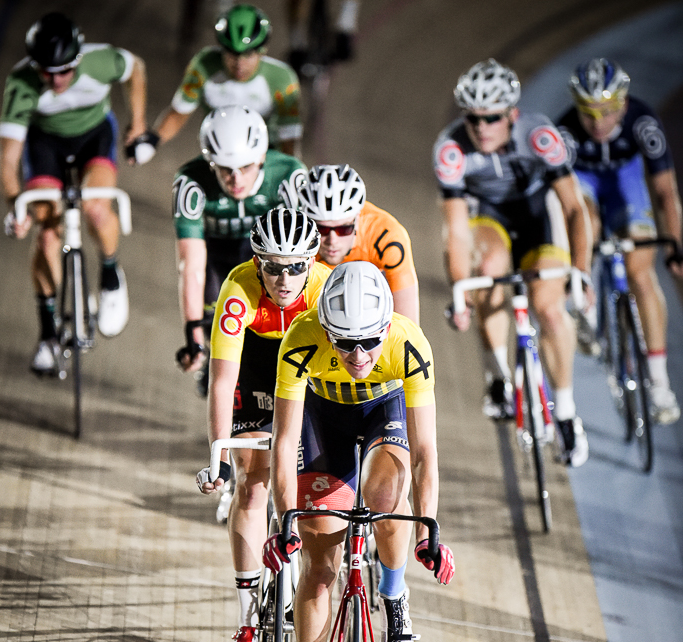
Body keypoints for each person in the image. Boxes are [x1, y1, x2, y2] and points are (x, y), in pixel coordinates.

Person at [263, 260, 455, 642]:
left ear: (386, 328)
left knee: (387, 498)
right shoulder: (300, 339)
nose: (359, 355)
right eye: (345, 343)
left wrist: (428, 531)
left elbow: (426, 452)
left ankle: (393, 592)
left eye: (370, 341)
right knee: (318, 567)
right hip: (323, 422)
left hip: (382, 414)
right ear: (325, 329)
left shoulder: (408, 344)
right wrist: (285, 520)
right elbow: (284, 442)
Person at [434, 58, 593, 467]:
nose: (481, 128)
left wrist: (581, 271)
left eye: (491, 118)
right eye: (472, 118)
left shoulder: (540, 136)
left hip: (539, 218)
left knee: (550, 310)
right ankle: (498, 374)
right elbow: (456, 232)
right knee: (489, 269)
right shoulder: (451, 150)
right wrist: (459, 290)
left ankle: (566, 412)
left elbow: (573, 208)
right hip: (490, 219)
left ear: (511, 114)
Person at [197, 207, 330, 642]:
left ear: (312, 262)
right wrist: (218, 453)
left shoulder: (325, 290)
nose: (284, 279)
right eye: (273, 267)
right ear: (257, 262)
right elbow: (221, 380)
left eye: (296, 267)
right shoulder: (238, 289)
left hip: (309, 367)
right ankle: (247, 623)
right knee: (252, 484)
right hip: (255, 365)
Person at [0, 12, 152, 374]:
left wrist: (138, 122)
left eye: (64, 71)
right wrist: (15, 207)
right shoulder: (21, 83)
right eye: (46, 72)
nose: (55, 80)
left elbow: (136, 69)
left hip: (93, 135)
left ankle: (110, 276)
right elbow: (7, 160)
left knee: (96, 206)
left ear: (78, 59)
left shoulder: (100, 61)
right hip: (46, 143)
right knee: (46, 234)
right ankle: (48, 333)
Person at [557, 57, 682, 424]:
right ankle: (587, 301)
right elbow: (561, 203)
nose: (598, 123)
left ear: (624, 104)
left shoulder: (643, 123)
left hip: (626, 183)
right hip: (585, 183)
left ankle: (659, 383)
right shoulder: (564, 133)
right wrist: (574, 267)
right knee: (586, 219)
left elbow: (666, 192)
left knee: (641, 272)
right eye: (588, 113)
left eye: (607, 111)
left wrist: (675, 246)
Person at [172, 105, 306, 395]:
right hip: (215, 256)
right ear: (210, 162)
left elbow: (302, 253)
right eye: (225, 169)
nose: (236, 179)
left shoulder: (288, 175)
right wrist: (193, 332)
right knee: (214, 318)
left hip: (267, 255)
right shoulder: (191, 182)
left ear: (262, 157)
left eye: (245, 167)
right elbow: (191, 265)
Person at [155, 4, 302, 157]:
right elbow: (179, 113)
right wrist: (152, 141)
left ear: (263, 50)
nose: (239, 64)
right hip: (218, 152)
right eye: (232, 53)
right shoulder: (204, 65)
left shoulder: (282, 79)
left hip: (264, 154)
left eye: (248, 55)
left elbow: (289, 139)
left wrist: (292, 168)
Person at [287, 163, 421, 323]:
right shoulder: (292, 237)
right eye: (321, 229)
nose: (332, 240)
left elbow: (408, 324)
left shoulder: (387, 237)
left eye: (343, 229)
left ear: (357, 219)